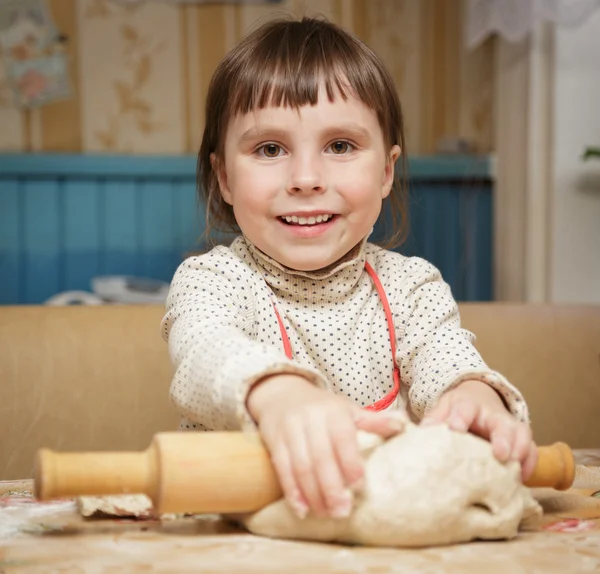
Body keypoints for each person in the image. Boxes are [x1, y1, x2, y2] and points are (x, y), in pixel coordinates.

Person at [161, 16, 537, 521]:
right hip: (235, 539)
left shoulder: (412, 287)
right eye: (270, 149)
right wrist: (276, 396)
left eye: (340, 146)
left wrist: (473, 396)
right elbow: (204, 351)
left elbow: (446, 361)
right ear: (225, 177)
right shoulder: (211, 281)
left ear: (386, 171)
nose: (307, 178)